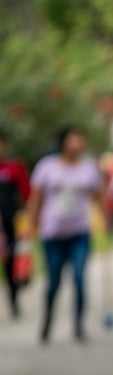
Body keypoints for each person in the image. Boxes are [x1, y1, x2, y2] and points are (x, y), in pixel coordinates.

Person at [27, 125, 104, 343]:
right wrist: (30, 225)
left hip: (79, 231)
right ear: (63, 142)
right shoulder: (47, 166)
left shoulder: (89, 167)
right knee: (54, 282)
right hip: (53, 232)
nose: (78, 144)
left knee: (80, 279)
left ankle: (79, 325)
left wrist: (104, 218)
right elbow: (37, 198)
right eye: (73, 139)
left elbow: (97, 195)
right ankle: (48, 319)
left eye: (81, 139)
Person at [0, 132, 31, 318]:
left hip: (11, 223)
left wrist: (29, 222)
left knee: (13, 261)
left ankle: (13, 299)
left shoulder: (15, 168)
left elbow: (27, 195)